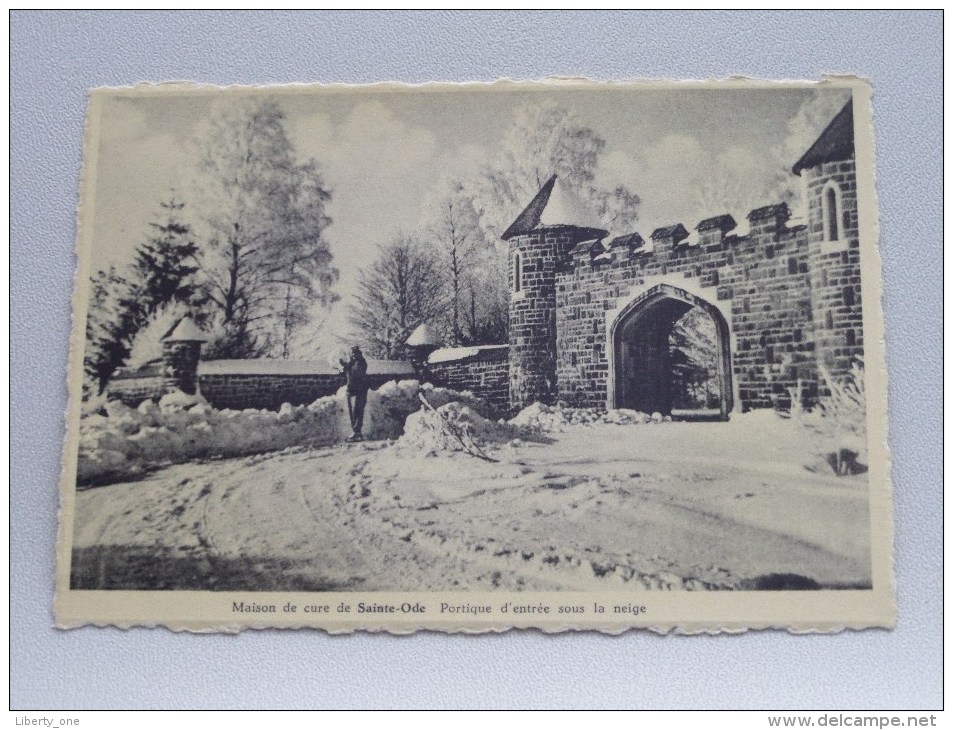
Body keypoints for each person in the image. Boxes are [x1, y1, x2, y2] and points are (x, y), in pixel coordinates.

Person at [339, 345, 369, 442]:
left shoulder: (360, 363)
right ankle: (356, 432)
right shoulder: (352, 363)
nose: (353, 355)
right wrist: (345, 365)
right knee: (352, 412)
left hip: (359, 391)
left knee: (357, 411)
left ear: (358, 353)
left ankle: (357, 432)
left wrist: (346, 367)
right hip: (352, 390)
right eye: (351, 353)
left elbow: (356, 373)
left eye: (355, 353)